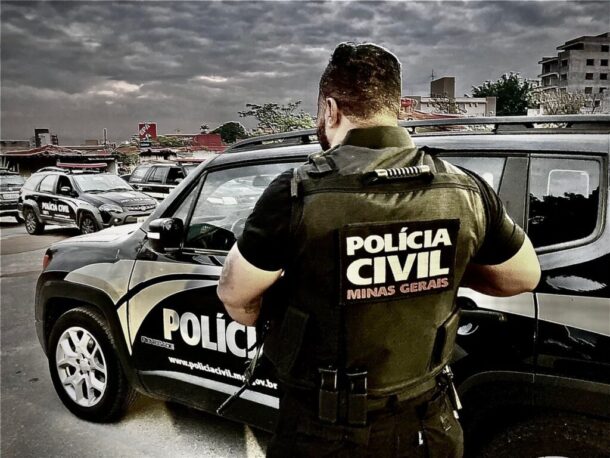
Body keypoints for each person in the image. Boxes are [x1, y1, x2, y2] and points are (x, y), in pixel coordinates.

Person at [217, 42, 540, 457]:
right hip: (429, 426)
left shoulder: (296, 192)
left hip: (324, 432)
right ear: (396, 106)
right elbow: (523, 276)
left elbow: (235, 295)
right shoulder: (467, 188)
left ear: (330, 109)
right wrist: (434, 265)